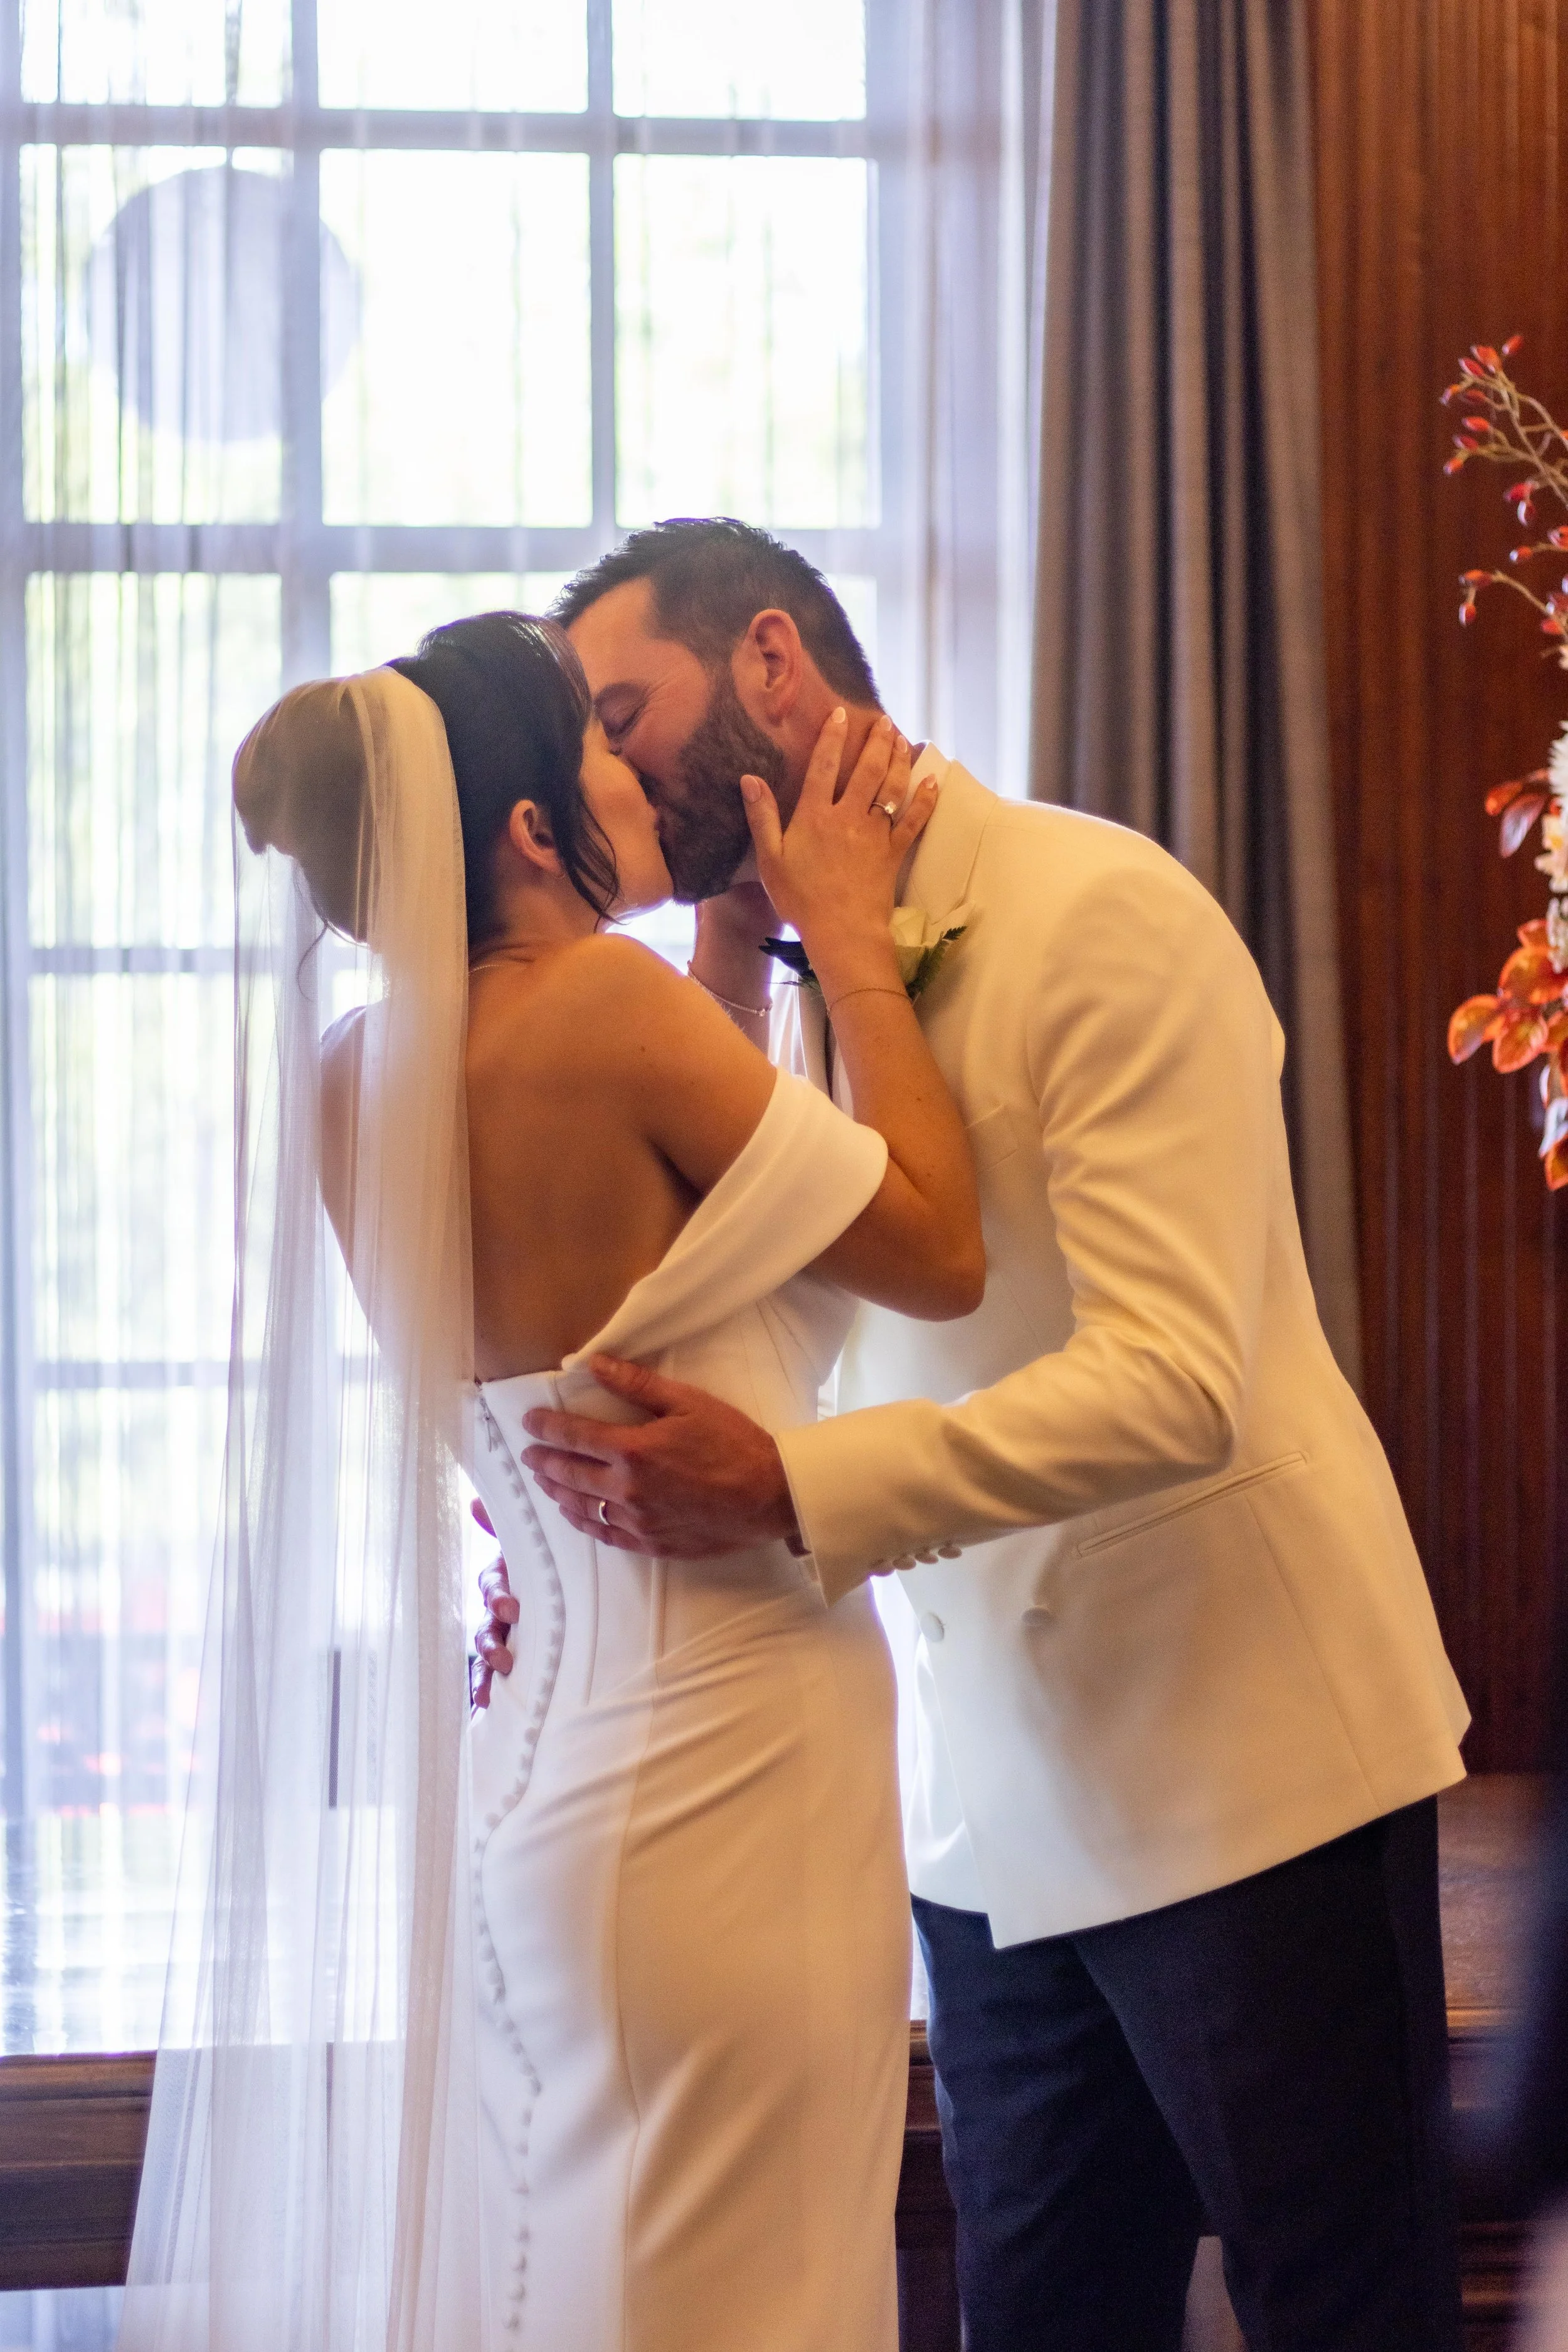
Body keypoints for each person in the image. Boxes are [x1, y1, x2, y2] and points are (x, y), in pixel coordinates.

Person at [485, 519, 1475, 2351]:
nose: (604, 773)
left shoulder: (1101, 909)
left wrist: (789, 1488)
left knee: (1348, 2314)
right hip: (976, 1821)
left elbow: (1174, 1374)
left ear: (771, 659)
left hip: (1241, 1776)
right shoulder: (769, 988)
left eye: (627, 715)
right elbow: (743, 1311)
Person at [122, 612, 987, 2352]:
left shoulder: (355, 1078)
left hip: (543, 1773)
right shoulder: (597, 1005)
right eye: (596, 745)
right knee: (756, 2289)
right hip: (728, 1755)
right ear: (529, 830)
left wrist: (736, 948)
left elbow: (694, 1230)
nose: (632, 768)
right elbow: (935, 1245)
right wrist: (856, 956)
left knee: (606, 2289)